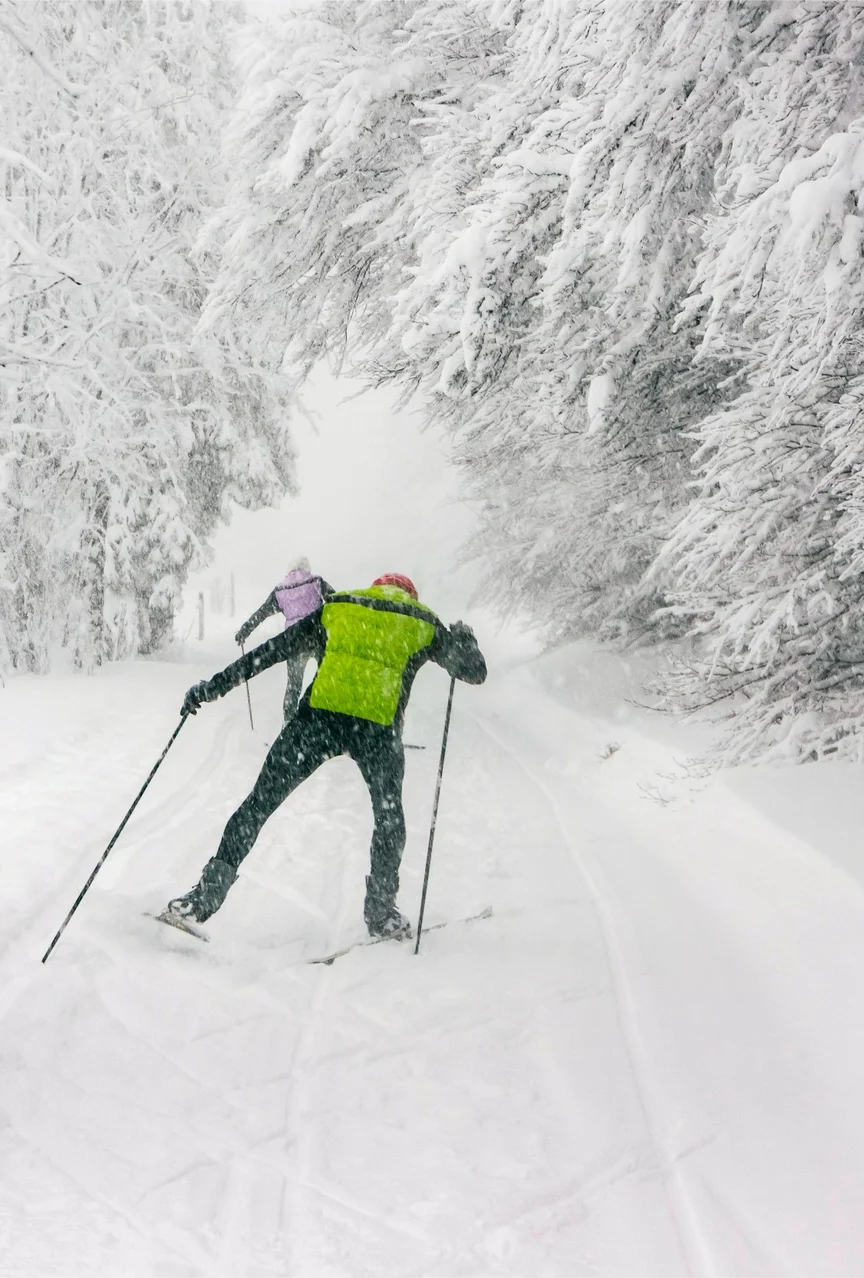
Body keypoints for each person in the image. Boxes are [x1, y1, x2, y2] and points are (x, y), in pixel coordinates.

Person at [165, 573, 487, 939]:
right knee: (389, 818)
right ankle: (381, 913)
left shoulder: (339, 607)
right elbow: (474, 672)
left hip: (316, 722)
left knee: (259, 803)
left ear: (375, 586)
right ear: (409, 594)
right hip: (377, 733)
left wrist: (212, 688)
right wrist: (465, 640)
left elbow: (269, 652)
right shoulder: (423, 622)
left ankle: (204, 898)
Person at [234, 557, 334, 721]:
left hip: (293, 641)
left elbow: (262, 612)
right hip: (317, 637)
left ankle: (288, 722)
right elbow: (336, 600)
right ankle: (324, 718)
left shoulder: (281, 590)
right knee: (325, 675)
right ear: (306, 568)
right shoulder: (316, 581)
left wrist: (245, 630)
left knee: (293, 685)